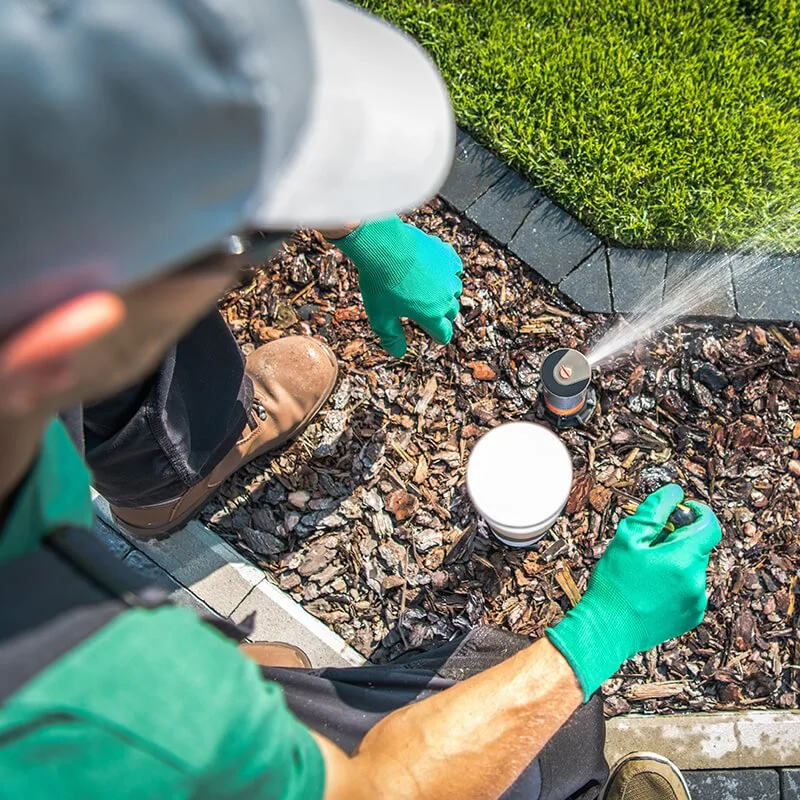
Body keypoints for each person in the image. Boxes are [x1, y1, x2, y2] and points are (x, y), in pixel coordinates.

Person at [0, 1, 721, 798]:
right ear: (63, 335)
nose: (255, 257)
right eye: (240, 249)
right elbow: (371, 791)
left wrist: (357, 229)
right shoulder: (110, 713)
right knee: (550, 737)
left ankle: (170, 479)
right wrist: (602, 632)